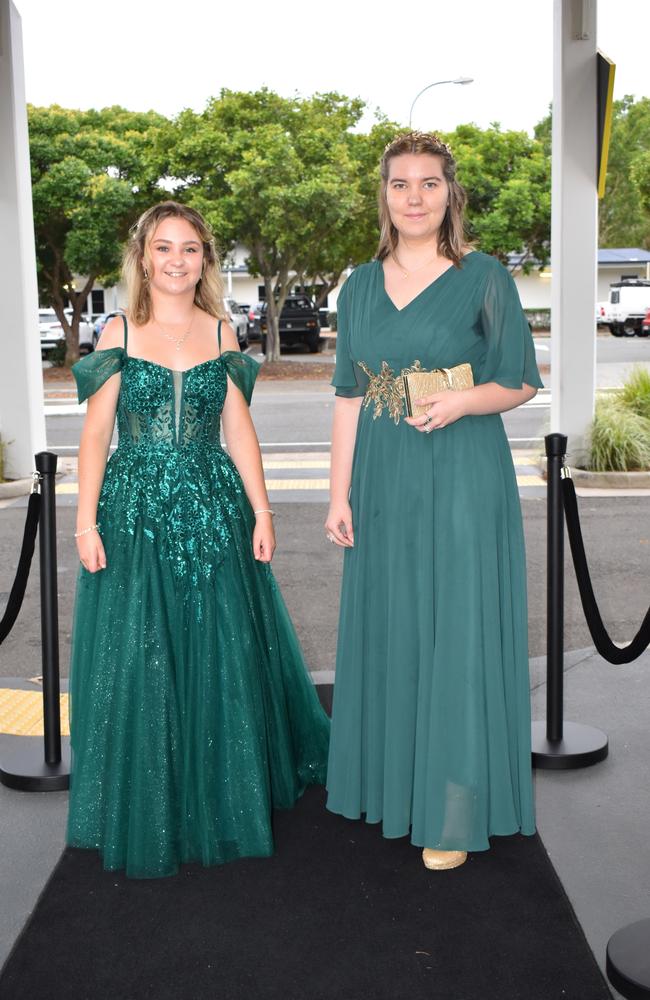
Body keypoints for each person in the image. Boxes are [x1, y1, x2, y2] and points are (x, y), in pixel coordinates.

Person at [68, 201, 329, 878]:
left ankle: (219, 791)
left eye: (190, 249)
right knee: (146, 649)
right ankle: (152, 796)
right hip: (135, 508)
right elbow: (96, 434)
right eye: (164, 248)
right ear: (143, 257)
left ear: (205, 261)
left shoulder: (223, 334)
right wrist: (84, 518)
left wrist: (263, 511)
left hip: (215, 507)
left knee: (220, 648)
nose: (177, 261)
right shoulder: (116, 330)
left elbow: (238, 430)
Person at [324, 132, 543, 871]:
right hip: (384, 473)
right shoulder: (357, 284)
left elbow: (520, 381)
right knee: (395, 623)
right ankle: (394, 788)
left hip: (460, 467)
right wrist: (337, 495)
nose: (413, 197)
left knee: (455, 629)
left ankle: (453, 808)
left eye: (428, 183)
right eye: (399, 184)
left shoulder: (485, 277)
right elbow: (348, 397)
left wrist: (463, 401)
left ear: (450, 192)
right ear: (383, 195)